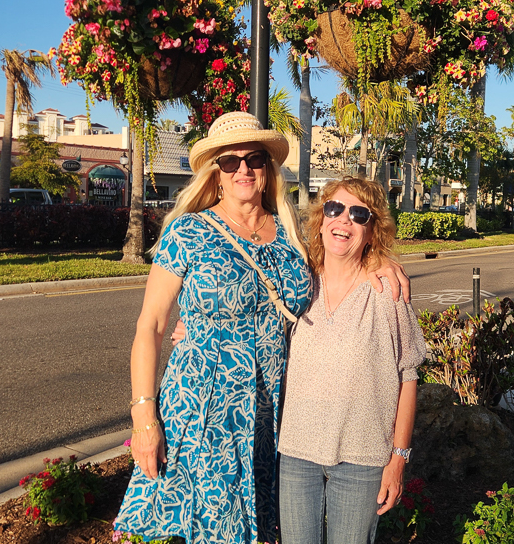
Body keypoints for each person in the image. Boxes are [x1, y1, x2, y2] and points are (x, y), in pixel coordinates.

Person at [114, 112, 408, 544]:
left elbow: (341, 256)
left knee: (264, 529)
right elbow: (151, 325)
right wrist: (144, 417)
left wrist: (381, 259)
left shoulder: (290, 234)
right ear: (216, 173)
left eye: (254, 159)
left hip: (274, 410)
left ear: (269, 169)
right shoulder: (187, 232)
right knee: (216, 528)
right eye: (230, 162)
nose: (244, 169)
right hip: (206, 401)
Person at [277, 177, 426, 544]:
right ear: (320, 217)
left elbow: (409, 375)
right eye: (334, 208)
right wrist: (192, 321)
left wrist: (399, 458)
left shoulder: (388, 292)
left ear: (372, 230)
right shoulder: (297, 284)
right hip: (297, 454)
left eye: (359, 214)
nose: (343, 220)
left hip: (363, 460)